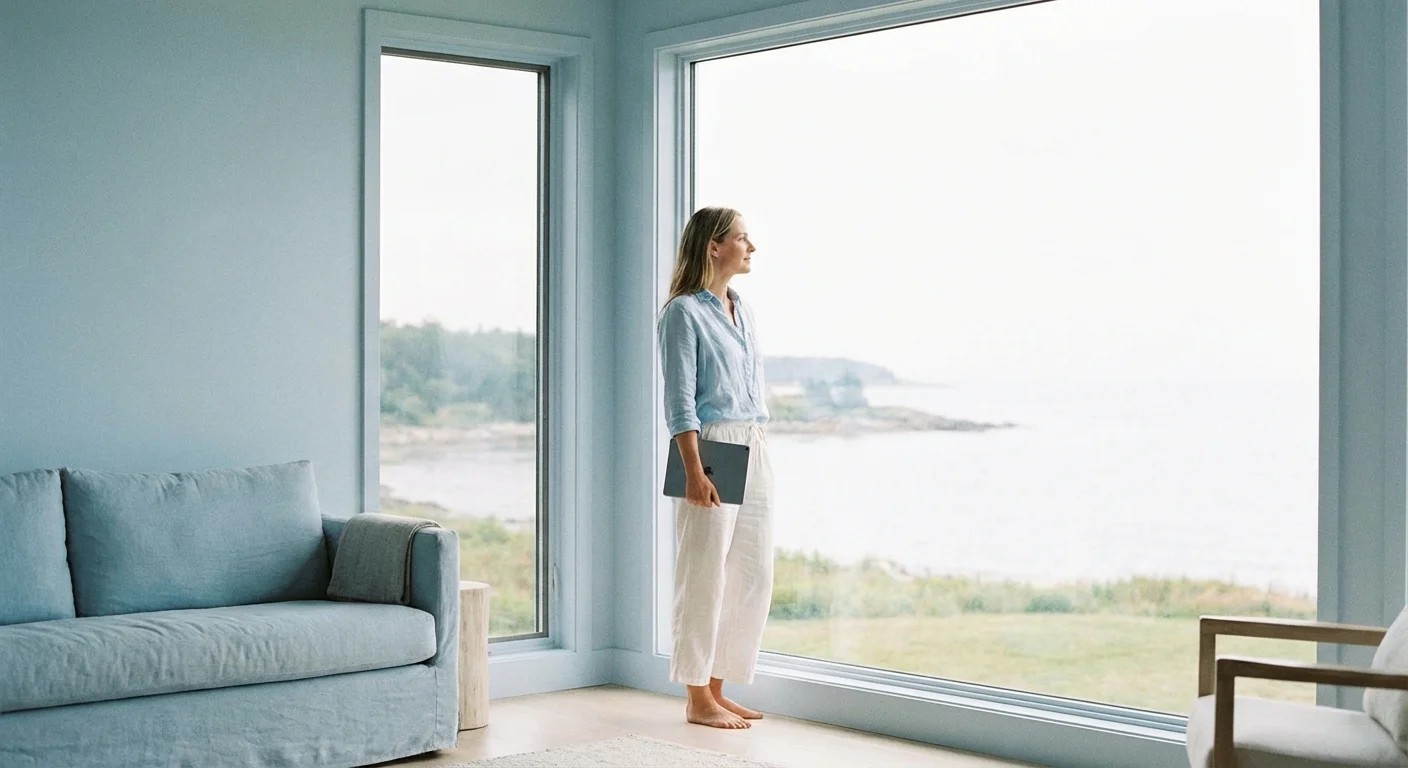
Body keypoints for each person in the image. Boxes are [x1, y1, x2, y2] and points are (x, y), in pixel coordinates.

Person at [657, 206, 775, 730]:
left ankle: (720, 688)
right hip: (712, 443)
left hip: (753, 438)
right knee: (703, 574)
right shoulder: (683, 312)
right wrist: (694, 470)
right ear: (714, 246)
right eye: (743, 239)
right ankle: (696, 696)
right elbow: (680, 401)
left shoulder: (742, 308)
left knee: (750, 572)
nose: (752, 248)